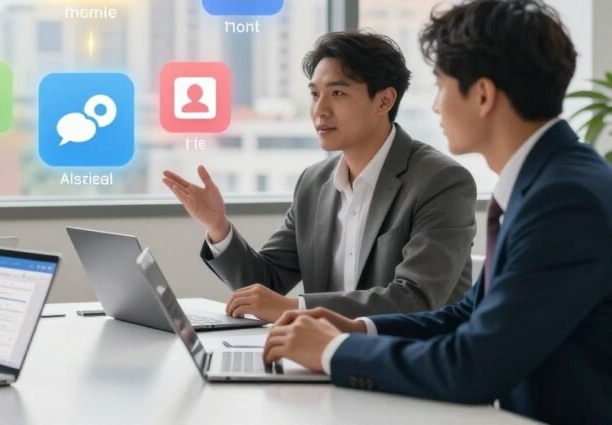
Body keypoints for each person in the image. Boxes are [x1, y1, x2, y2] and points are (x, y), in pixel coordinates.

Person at [264, 0, 612, 424]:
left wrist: (334, 351)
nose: (434, 105)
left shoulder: (564, 199)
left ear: (482, 96)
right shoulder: (543, 181)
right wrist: (357, 329)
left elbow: (473, 366)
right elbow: (467, 314)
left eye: (442, 86)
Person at [164, 31, 477, 322]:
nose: (319, 110)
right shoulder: (314, 183)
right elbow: (265, 285)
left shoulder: (441, 181)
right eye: (315, 94)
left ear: (384, 100)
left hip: (409, 364)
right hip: (323, 357)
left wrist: (296, 309)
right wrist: (218, 227)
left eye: (338, 93)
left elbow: (416, 299)